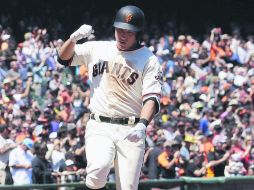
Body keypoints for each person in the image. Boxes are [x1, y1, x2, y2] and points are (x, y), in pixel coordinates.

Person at [58, 5, 162, 190]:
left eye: (128, 32)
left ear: (138, 33)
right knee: (98, 172)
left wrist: (142, 125)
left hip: (131, 128)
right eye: (119, 30)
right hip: (100, 124)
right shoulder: (98, 48)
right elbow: (63, 58)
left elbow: (152, 99)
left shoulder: (149, 59)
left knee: (128, 187)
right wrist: (73, 39)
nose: (122, 35)